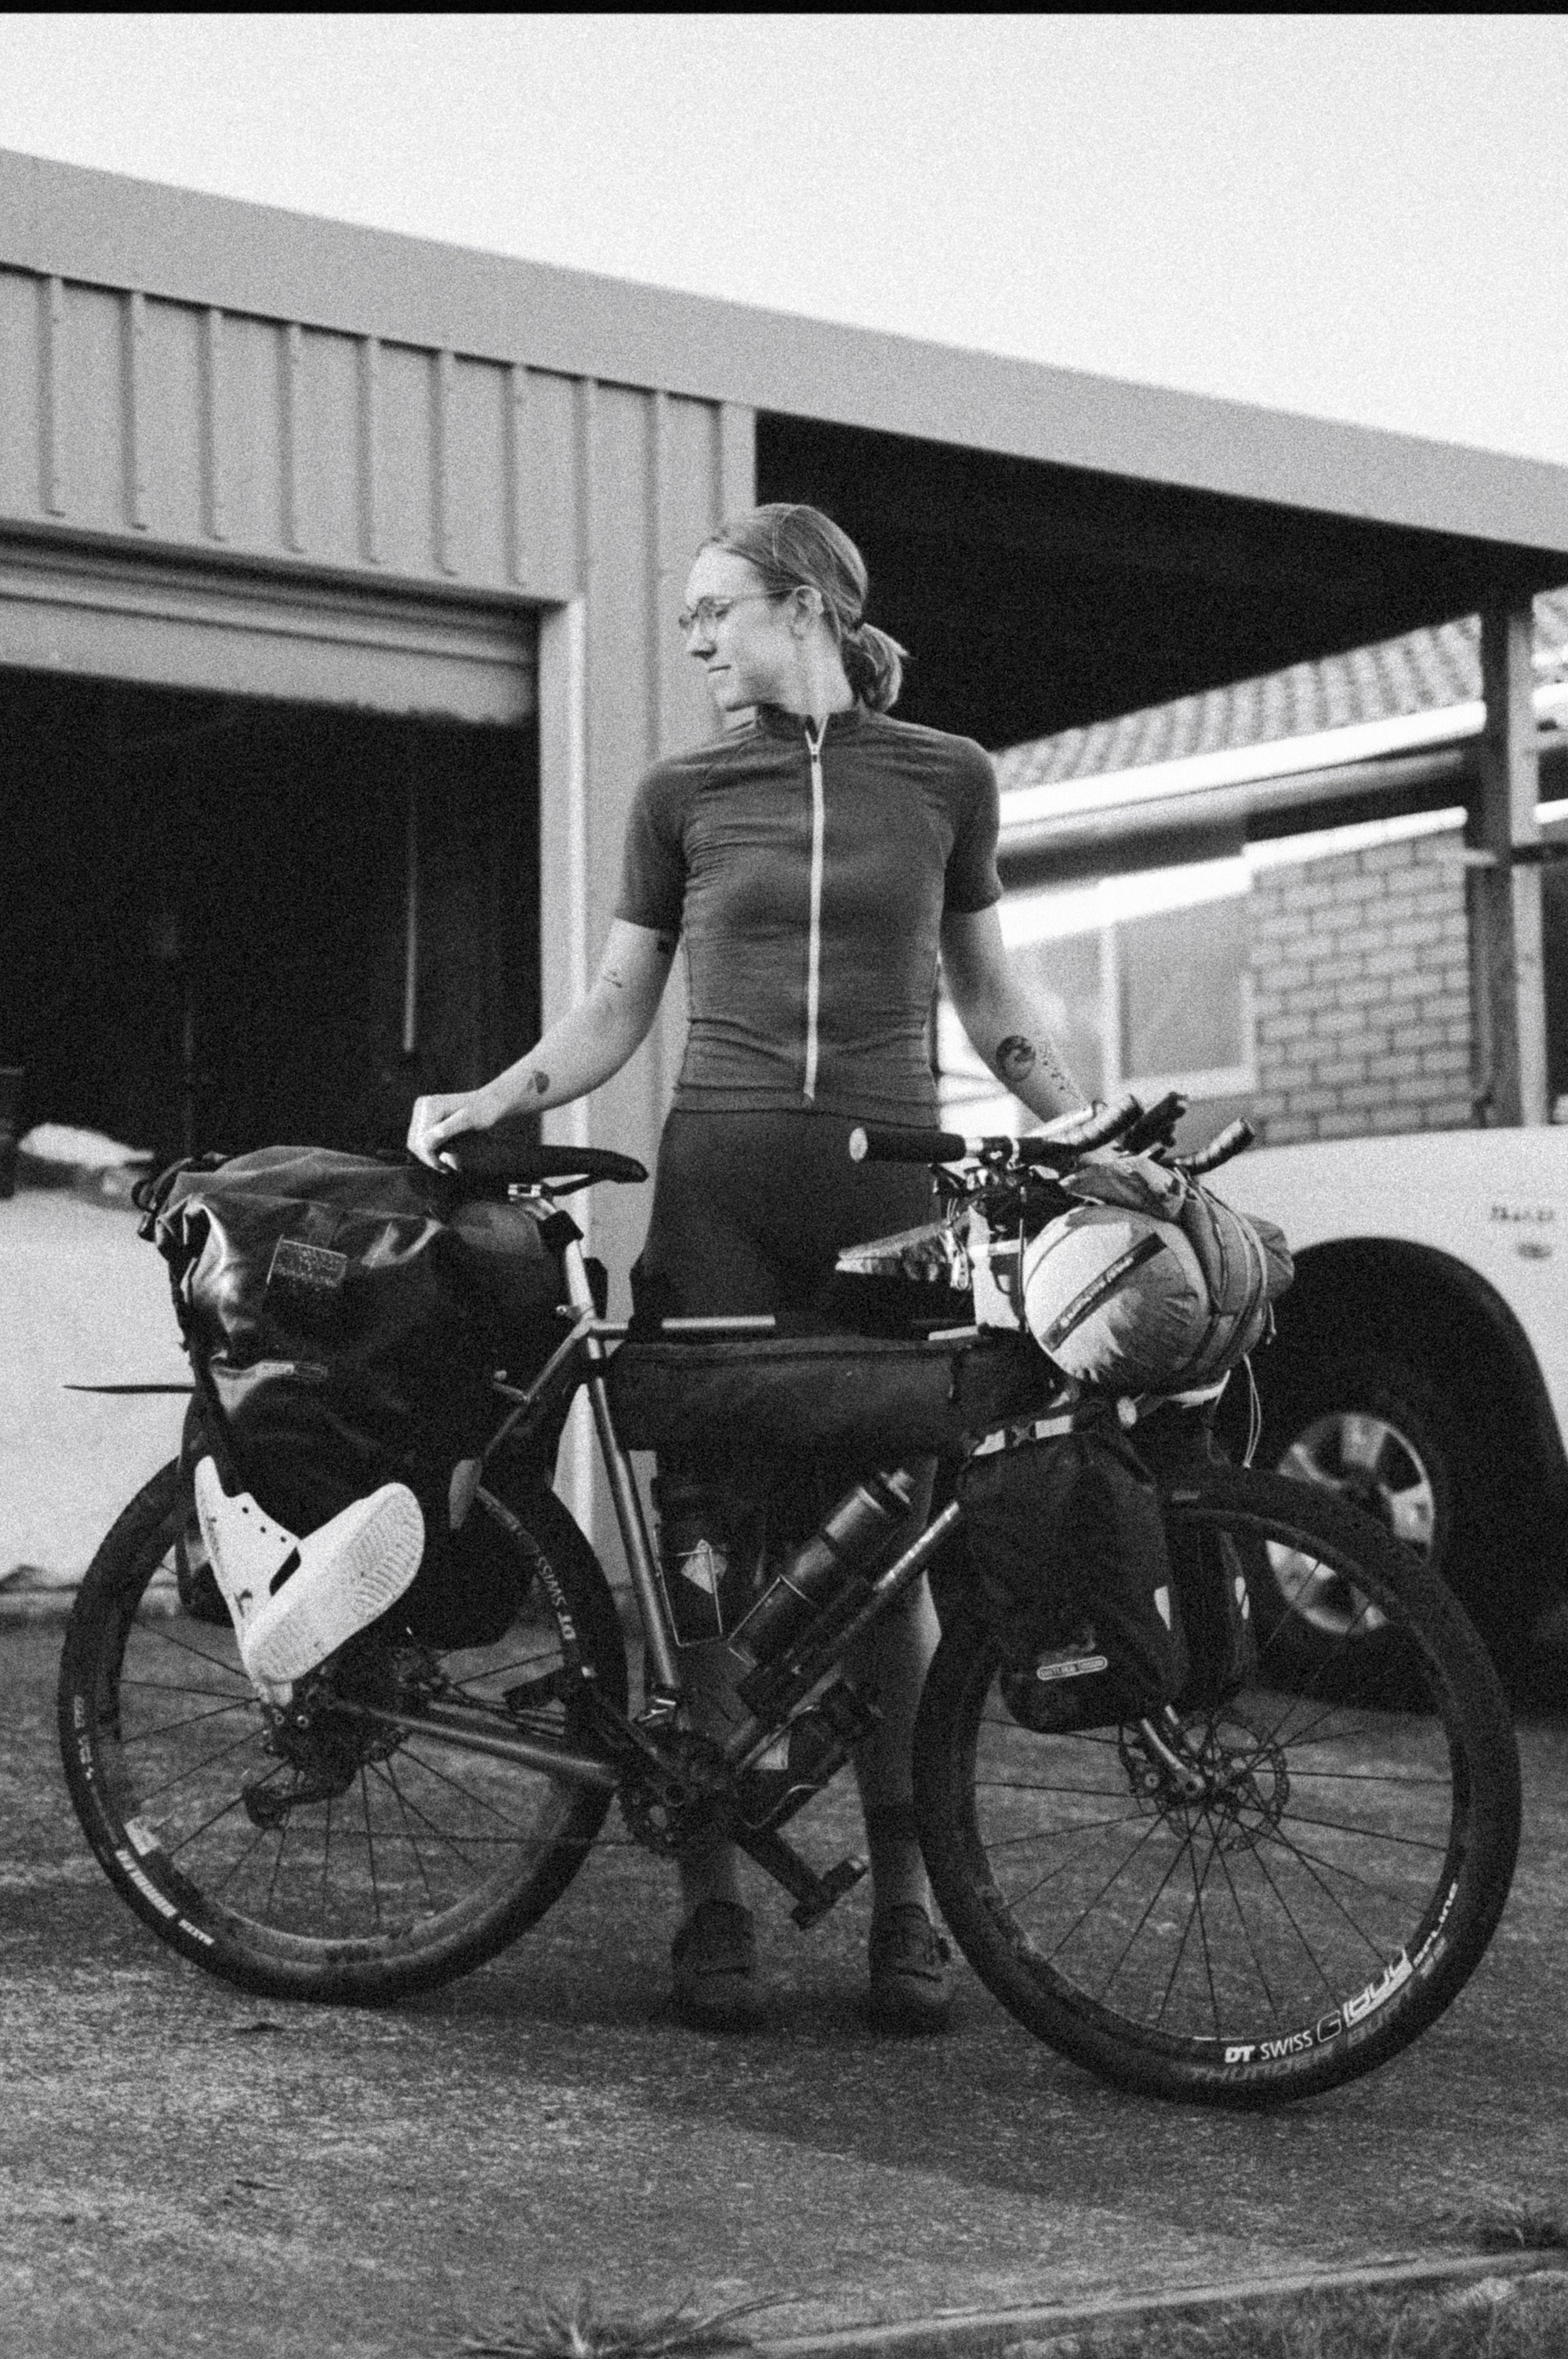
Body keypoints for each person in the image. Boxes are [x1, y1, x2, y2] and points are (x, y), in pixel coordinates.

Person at [408, 503, 1087, 2032]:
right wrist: (494, 1099)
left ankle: (906, 1913)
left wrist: (1080, 1123)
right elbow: (611, 1008)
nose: (696, 639)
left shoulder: (944, 779)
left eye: (713, 610)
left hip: (892, 1200)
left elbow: (987, 991)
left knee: (888, 1560)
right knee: (705, 1556)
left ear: (800, 601)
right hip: (715, 1192)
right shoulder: (681, 793)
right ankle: (709, 1900)